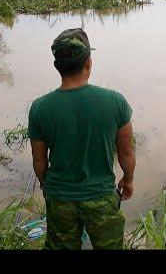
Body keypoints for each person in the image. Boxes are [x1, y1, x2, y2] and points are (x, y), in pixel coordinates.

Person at [27, 28, 135, 250]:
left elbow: (39, 161)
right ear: (89, 62)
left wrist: (46, 186)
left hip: (60, 199)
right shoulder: (115, 102)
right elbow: (126, 152)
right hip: (102, 198)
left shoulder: (39, 107)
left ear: (58, 66)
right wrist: (128, 179)